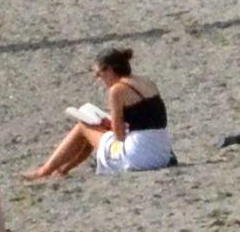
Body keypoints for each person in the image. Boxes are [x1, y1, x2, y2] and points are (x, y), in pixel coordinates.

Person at [22, 47, 174, 180]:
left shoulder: (117, 90)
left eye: (98, 74)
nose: (98, 79)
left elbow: (119, 136)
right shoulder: (145, 82)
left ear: (109, 69)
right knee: (97, 134)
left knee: (84, 127)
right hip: (162, 152)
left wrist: (109, 127)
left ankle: (44, 171)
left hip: (136, 156)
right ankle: (63, 169)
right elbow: (147, 119)